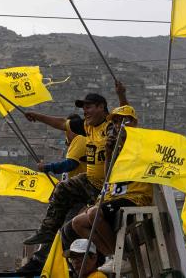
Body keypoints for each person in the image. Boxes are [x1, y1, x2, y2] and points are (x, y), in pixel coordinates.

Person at [22, 81, 128, 247]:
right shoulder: (87, 126)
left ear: (101, 107)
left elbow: (125, 117)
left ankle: (107, 250)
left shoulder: (110, 126)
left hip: (108, 187)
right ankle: (47, 231)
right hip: (89, 181)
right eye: (83, 108)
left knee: (93, 222)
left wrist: (121, 95)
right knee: (62, 189)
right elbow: (61, 123)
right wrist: (37, 116)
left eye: (89, 107)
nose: (85, 112)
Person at [69, 105, 153, 274]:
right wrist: (108, 153)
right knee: (77, 223)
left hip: (134, 196)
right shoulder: (116, 147)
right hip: (114, 196)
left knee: (94, 213)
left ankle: (120, 257)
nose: (119, 125)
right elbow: (109, 177)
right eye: (115, 121)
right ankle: (112, 255)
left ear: (134, 123)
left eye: (124, 120)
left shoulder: (141, 144)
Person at [16, 114, 87, 274]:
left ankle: (44, 262)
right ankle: (41, 260)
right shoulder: (75, 143)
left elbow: (69, 165)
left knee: (63, 229)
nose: (65, 133)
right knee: (55, 229)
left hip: (80, 197)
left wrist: (47, 167)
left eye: (67, 130)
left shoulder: (81, 139)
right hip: (72, 195)